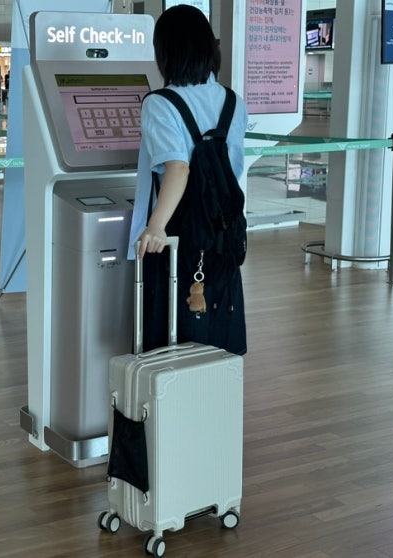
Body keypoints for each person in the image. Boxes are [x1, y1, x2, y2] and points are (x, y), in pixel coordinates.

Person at [128, 5, 248, 354]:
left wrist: (155, 227)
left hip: (180, 234)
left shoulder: (160, 103)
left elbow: (178, 168)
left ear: (166, 52)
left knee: (169, 331)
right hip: (224, 232)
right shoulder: (233, 101)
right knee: (217, 325)